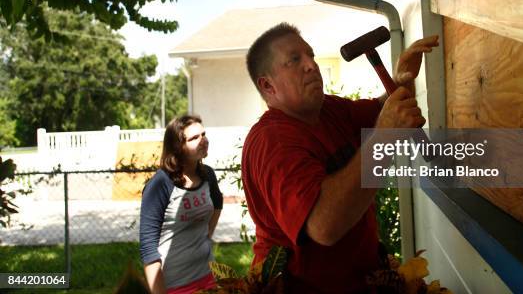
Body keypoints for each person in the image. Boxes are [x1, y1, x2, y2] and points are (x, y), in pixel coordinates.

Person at [241, 23, 438, 293]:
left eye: (310, 55)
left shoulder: (329, 110)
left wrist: (401, 81)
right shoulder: (272, 142)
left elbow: (386, 112)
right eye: (295, 60)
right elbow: (324, 227)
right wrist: (385, 135)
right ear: (268, 85)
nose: (312, 65)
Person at [139, 115, 223, 294]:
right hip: (174, 286)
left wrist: (205, 236)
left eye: (203, 134)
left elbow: (218, 203)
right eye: (194, 138)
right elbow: (148, 248)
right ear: (178, 147)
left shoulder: (208, 175)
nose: (204, 140)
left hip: (209, 276)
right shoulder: (160, 184)